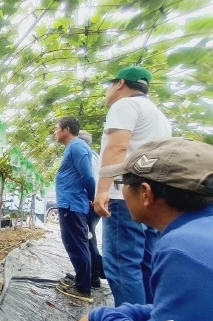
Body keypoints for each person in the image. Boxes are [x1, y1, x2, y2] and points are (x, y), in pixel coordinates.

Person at [74, 137, 213, 321]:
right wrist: (122, 313)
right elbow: (188, 310)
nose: (121, 192)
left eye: (121, 184)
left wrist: (106, 320)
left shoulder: (182, 248)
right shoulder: (202, 233)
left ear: (146, 193)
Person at [93, 66, 172, 306]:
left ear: (119, 84)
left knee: (121, 265)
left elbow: (118, 148)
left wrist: (104, 189)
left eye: (109, 85)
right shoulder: (159, 116)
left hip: (125, 197)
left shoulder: (125, 105)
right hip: (152, 198)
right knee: (146, 263)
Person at [53, 117, 96, 303]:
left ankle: (83, 287)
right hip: (71, 203)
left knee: (76, 244)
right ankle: (86, 278)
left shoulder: (77, 147)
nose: (55, 132)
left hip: (72, 204)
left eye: (57, 128)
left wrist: (93, 198)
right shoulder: (73, 147)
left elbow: (88, 177)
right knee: (78, 243)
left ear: (67, 129)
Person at [74, 129, 106, 287]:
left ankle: (94, 275)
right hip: (93, 203)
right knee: (88, 237)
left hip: (89, 204)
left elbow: (89, 179)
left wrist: (90, 198)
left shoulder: (85, 156)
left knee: (86, 239)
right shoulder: (95, 156)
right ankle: (93, 273)